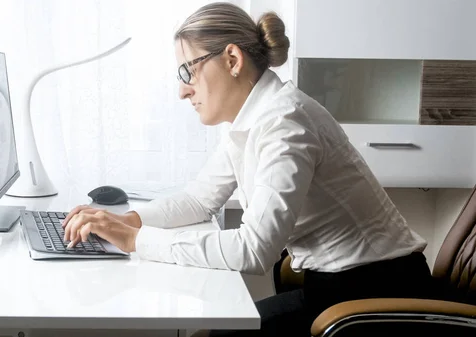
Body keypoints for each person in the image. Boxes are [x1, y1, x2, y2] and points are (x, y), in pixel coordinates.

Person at [61, 2, 434, 336]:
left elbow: (253, 250)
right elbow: (198, 199)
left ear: (233, 60)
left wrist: (136, 242)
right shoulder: (256, 120)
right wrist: (129, 221)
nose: (182, 91)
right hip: (342, 291)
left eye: (187, 71)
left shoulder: (286, 123)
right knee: (214, 329)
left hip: (377, 301)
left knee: (217, 332)